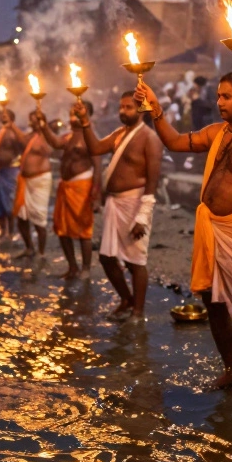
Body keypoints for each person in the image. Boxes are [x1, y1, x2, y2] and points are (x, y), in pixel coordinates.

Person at [137, 73, 232, 394]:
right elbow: (175, 142)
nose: (219, 102)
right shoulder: (216, 132)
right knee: (212, 298)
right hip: (212, 227)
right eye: (219, 96)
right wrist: (155, 108)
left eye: (226, 97)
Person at [76, 92, 163, 319]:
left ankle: (138, 312)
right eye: (121, 107)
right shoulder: (119, 134)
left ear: (141, 110)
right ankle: (126, 298)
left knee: (136, 261)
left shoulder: (149, 138)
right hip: (114, 203)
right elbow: (95, 148)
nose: (122, 112)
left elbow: (153, 181)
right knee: (106, 257)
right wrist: (85, 122)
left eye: (128, 108)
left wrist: (142, 217)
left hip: (135, 204)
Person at [38, 100, 102, 279]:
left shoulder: (91, 137)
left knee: (83, 231)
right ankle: (73, 266)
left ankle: (86, 269)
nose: (72, 115)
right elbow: (55, 143)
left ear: (87, 114)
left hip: (83, 187)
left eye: (77, 112)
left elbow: (98, 167)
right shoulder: (67, 136)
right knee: (62, 229)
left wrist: (96, 195)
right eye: (71, 112)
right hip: (65, 187)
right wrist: (43, 124)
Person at [4, 109, 52, 257]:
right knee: (21, 216)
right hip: (26, 181)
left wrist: (45, 130)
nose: (32, 122)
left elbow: (51, 149)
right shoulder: (32, 136)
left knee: (39, 219)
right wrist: (12, 125)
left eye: (36, 119)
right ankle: (29, 247)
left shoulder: (46, 136)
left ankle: (41, 253)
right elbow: (23, 140)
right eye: (31, 119)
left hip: (40, 181)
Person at [0, 108, 24, 238]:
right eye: (2, 115)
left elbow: (22, 145)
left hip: (11, 171)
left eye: (6, 115)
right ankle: (3, 230)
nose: (3, 117)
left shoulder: (15, 133)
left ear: (12, 118)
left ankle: (11, 231)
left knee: (10, 203)